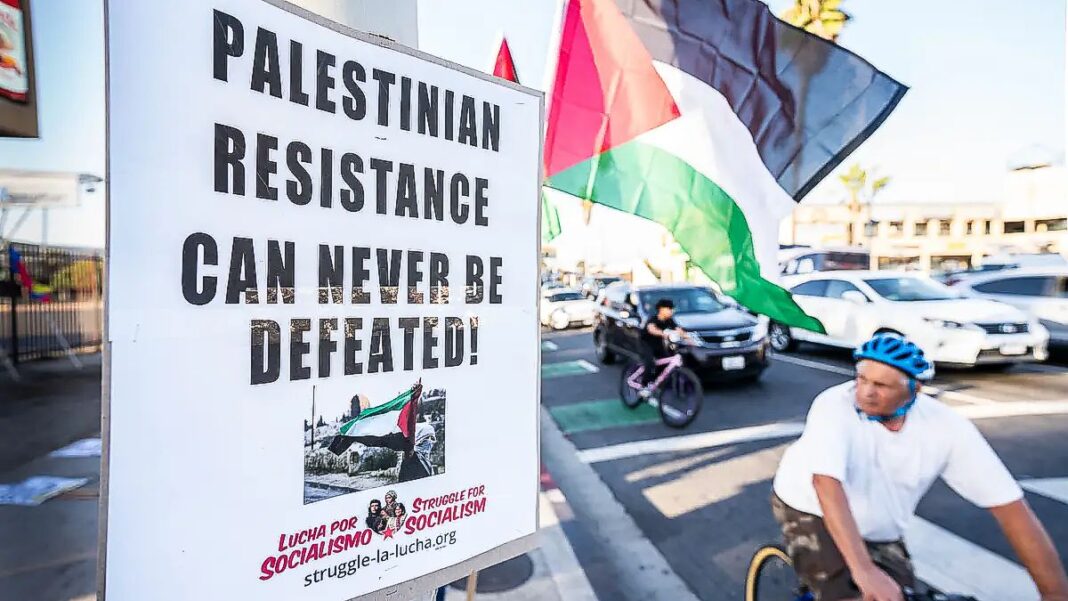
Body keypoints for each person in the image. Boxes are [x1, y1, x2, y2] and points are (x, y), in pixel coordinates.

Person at [771, 332, 1068, 601]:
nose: (865, 392)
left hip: (880, 523)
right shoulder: (834, 406)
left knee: (898, 595)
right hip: (811, 507)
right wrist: (864, 570)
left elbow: (1011, 510)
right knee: (849, 592)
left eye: (881, 385)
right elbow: (826, 485)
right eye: (861, 379)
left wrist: (1054, 593)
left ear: (915, 389)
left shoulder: (946, 427)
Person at [638, 298, 693, 396]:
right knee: (650, 362)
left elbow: (679, 330)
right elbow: (651, 329)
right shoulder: (654, 319)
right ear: (661, 309)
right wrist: (664, 333)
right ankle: (644, 386)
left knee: (665, 362)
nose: (671, 311)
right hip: (646, 343)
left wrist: (689, 338)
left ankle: (655, 382)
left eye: (672, 309)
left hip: (658, 344)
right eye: (669, 308)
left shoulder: (669, 321)